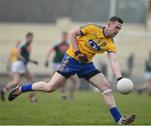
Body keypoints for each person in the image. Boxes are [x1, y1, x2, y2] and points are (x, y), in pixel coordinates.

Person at [8, 17, 136, 124]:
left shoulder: (110, 43)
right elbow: (72, 33)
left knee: (106, 87)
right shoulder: (92, 28)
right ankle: (22, 89)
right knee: (50, 87)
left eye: (119, 28)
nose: (118, 30)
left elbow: (113, 61)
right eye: (116, 27)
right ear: (109, 24)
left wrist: (120, 78)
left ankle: (119, 119)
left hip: (86, 65)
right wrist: (77, 51)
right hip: (71, 60)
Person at [1, 32, 38, 102]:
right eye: (29, 38)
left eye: (31, 38)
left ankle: (4, 90)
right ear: (26, 38)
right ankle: (31, 97)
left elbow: (26, 58)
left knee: (16, 81)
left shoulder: (27, 46)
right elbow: (17, 53)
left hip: (19, 65)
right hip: (20, 64)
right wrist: (22, 58)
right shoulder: (24, 44)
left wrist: (33, 61)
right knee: (32, 81)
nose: (31, 39)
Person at [45, 32, 77, 100]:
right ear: (61, 36)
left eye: (66, 36)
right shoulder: (57, 44)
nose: (64, 37)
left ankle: (68, 95)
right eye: (63, 36)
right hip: (56, 63)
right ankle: (39, 86)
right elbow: (50, 51)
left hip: (64, 64)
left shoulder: (68, 44)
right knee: (52, 80)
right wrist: (47, 60)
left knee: (68, 80)